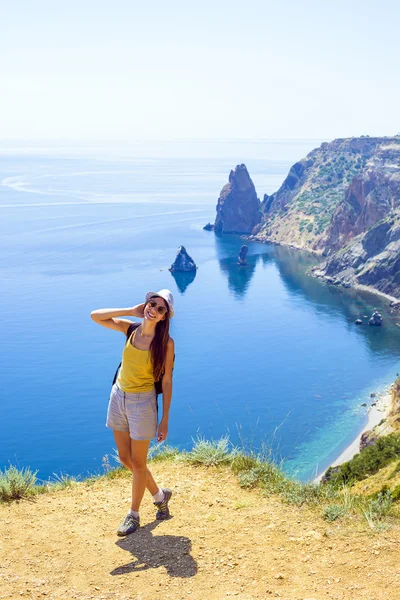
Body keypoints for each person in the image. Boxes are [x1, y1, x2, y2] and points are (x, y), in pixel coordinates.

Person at [91, 289, 175, 536]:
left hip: (142, 403)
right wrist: (130, 310)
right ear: (145, 304)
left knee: (139, 462)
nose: (154, 310)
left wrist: (165, 419)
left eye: (161, 309)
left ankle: (134, 515)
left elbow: (167, 381)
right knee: (126, 459)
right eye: (152, 304)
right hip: (119, 396)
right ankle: (160, 496)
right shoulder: (130, 329)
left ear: (164, 316)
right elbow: (95, 316)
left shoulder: (165, 343)